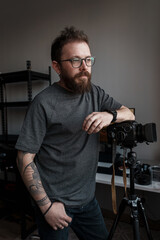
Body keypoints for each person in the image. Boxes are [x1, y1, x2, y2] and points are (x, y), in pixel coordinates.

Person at [15, 26, 135, 240]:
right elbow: (24, 158)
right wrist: (46, 207)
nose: (84, 67)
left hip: (88, 202)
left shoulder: (95, 93)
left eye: (88, 60)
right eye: (76, 61)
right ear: (57, 67)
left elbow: (129, 114)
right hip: (55, 204)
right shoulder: (43, 103)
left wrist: (110, 116)